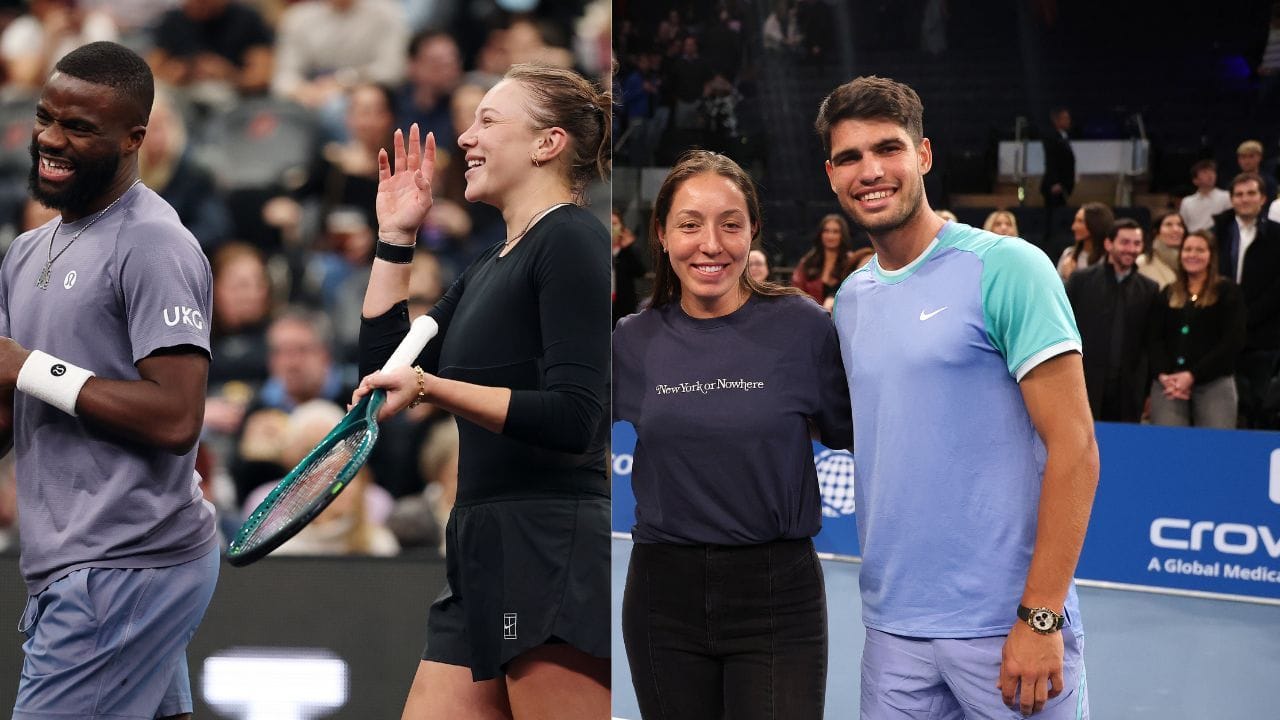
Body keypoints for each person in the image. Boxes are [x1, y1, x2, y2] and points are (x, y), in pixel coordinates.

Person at [818, 75, 1098, 718]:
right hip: (893, 633)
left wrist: (1041, 618)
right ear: (831, 175)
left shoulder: (1009, 268)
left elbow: (1076, 448)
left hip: (1009, 629)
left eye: (888, 148)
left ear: (923, 155)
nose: (872, 170)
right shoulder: (852, 299)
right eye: (851, 157)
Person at [352, 62, 611, 719]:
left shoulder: (574, 239)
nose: (465, 137)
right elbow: (388, 369)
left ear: (546, 143)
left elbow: (576, 418)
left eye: (488, 121)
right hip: (479, 545)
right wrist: (396, 236)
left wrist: (434, 386)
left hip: (550, 545)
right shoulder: (487, 264)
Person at [1, 41, 218, 720]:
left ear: (135, 139)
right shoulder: (26, 251)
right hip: (81, 565)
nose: (50, 140)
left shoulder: (155, 244)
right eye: (45, 119)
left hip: (126, 563)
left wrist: (30, 367)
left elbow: (177, 418)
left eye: (78, 128)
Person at [613, 150, 850, 720]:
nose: (711, 245)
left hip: (778, 598)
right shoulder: (630, 340)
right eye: (690, 225)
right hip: (661, 597)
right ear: (663, 236)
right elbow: (565, 429)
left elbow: (862, 432)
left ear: (753, 232)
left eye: (731, 224)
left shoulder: (804, 326)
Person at [1147, 230, 1246, 428]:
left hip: (1215, 383)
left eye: (1200, 250)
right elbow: (1153, 338)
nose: (1192, 255)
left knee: (1215, 449)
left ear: (1211, 256)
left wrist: (1192, 375)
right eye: (1188, 249)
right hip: (1169, 384)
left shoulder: (1227, 292)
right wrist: (1164, 375)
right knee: (1167, 446)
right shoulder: (1168, 292)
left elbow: (1232, 341)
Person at [1065, 218, 1160, 422]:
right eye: (1125, 242)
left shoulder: (1150, 289)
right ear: (1109, 244)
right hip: (1083, 385)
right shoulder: (1080, 281)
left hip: (1128, 391)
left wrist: (1148, 391)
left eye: (1137, 243)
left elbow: (1151, 344)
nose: (1131, 249)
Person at [1211, 172, 1280, 428]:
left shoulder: (1276, 236)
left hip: (1264, 338)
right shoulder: (1217, 234)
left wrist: (1247, 317)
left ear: (1263, 198)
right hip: (1222, 336)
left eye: (1251, 193)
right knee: (1228, 409)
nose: (1245, 199)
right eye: (1238, 195)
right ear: (1231, 200)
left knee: (1261, 406)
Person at [791, 212, 858, 305]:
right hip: (813, 316)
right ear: (820, 234)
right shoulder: (807, 262)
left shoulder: (852, 262)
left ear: (843, 235)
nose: (830, 236)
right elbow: (796, 294)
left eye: (835, 232)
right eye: (826, 231)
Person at [1041, 106, 1075, 242]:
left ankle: (1057, 240)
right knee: (1053, 217)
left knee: (1059, 216)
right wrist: (1055, 182)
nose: (1068, 121)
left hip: (1063, 184)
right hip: (1054, 185)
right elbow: (1051, 161)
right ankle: (1051, 242)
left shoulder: (1063, 136)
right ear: (1056, 119)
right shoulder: (1051, 138)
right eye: (1064, 118)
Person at [1057, 201, 1113, 281]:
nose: (1073, 227)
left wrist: (1071, 277)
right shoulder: (1068, 255)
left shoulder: (1110, 260)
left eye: (1080, 221)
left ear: (1095, 224)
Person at [1137, 210, 1186, 289]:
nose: (1176, 229)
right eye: (1168, 225)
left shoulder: (1190, 262)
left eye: (1180, 225)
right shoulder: (1142, 263)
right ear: (1156, 231)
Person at [1179, 159, 1231, 233]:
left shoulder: (1227, 197)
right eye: (1205, 172)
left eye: (1212, 171)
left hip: (1217, 239)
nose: (1210, 175)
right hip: (1193, 239)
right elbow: (1184, 224)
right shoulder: (1187, 202)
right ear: (1195, 180)